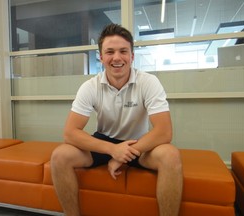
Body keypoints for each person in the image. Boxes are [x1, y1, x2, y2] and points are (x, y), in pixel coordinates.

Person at [50, 23, 183, 216]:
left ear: (132, 56)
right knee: (59, 156)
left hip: (140, 144)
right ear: (101, 57)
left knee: (171, 156)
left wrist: (123, 155)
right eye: (110, 52)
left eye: (123, 51)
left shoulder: (148, 82)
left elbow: (164, 131)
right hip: (105, 142)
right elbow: (70, 133)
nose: (117, 57)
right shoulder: (90, 87)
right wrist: (113, 151)